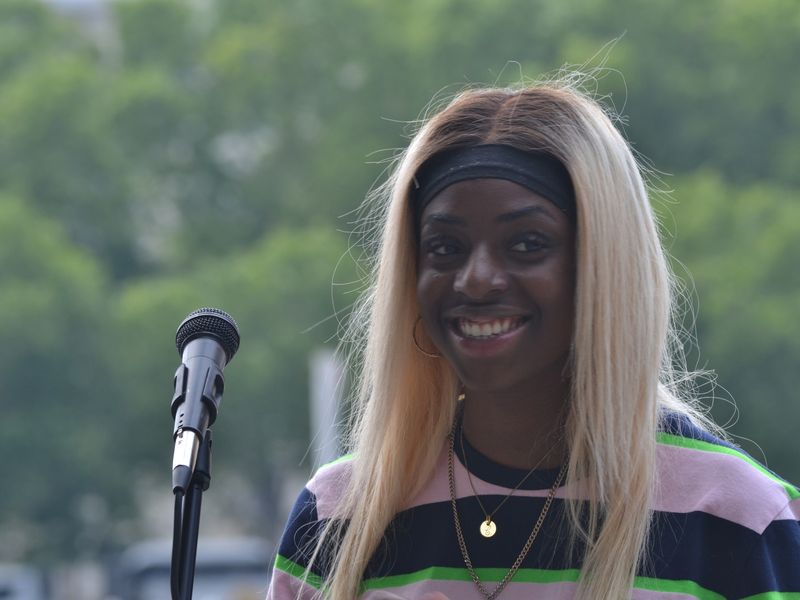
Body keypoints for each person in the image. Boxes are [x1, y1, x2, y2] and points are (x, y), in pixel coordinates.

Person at [266, 80, 800, 599]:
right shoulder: (334, 517)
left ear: (605, 267)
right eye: (445, 248)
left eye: (527, 243)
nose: (476, 280)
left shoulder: (741, 519)